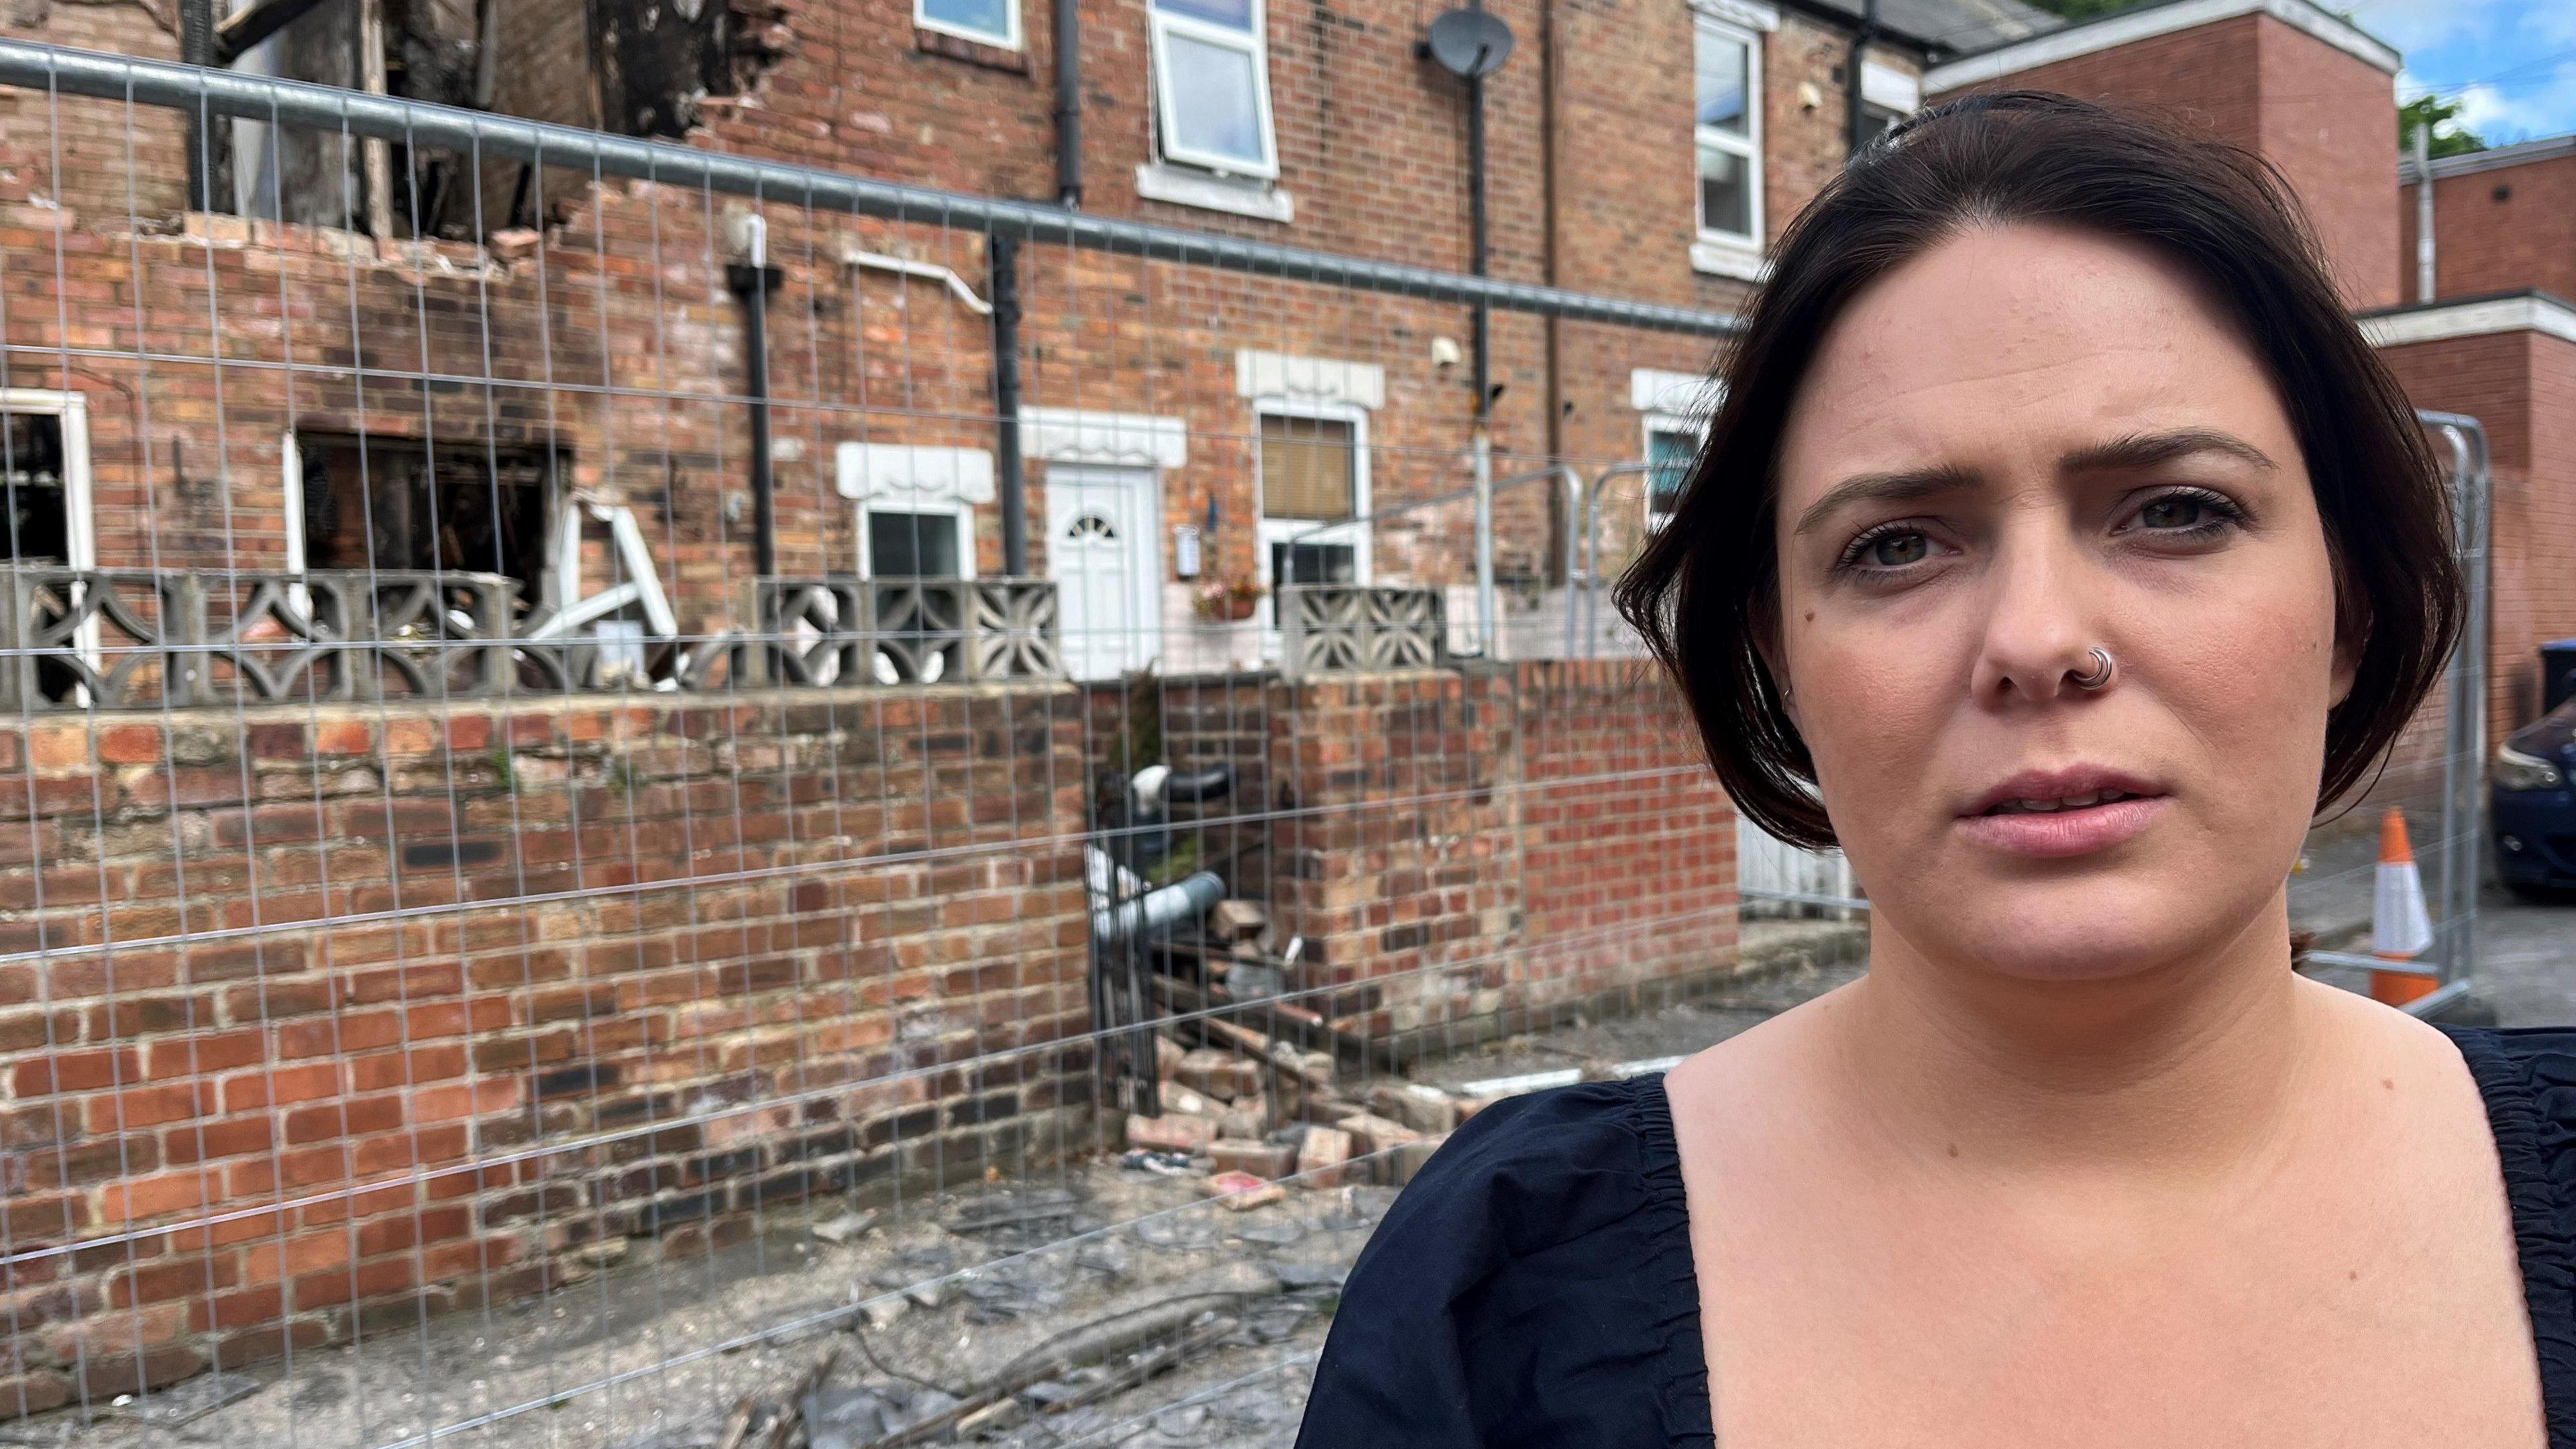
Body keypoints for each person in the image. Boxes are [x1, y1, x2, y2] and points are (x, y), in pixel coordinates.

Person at [1295, 93, 2572, 1448]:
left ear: (2350, 611)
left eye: (2177, 510)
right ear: (1778, 656)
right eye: (1898, 545)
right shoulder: (1501, 1287)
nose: (2036, 640)